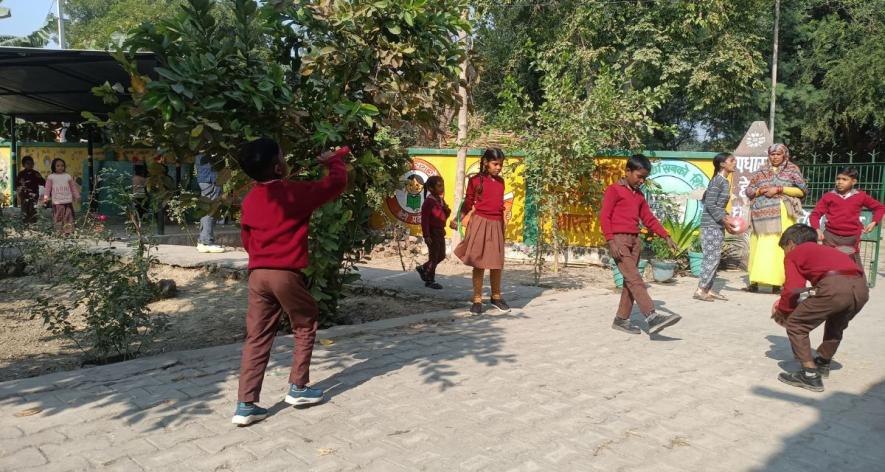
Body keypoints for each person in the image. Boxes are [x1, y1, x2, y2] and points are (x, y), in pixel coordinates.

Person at [232, 138, 348, 426]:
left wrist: (262, 258)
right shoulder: (294, 194)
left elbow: (247, 239)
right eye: (282, 155)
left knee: (257, 336)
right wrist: (333, 161)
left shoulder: (250, 199)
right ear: (277, 165)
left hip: (258, 274)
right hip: (286, 273)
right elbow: (335, 185)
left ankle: (245, 404)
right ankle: (298, 388)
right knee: (305, 322)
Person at [771, 224, 868, 392]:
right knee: (836, 322)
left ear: (791, 244)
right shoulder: (827, 250)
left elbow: (793, 288)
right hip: (861, 288)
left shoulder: (795, 253)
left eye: (784, 248)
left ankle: (809, 375)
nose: (785, 253)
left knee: (796, 324)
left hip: (834, 287)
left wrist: (784, 311)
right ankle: (823, 362)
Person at [601, 154, 682, 335]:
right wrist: (610, 240)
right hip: (619, 240)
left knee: (630, 282)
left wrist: (666, 236)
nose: (641, 181)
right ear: (628, 171)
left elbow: (648, 218)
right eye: (639, 176)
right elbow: (604, 216)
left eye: (645, 178)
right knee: (635, 278)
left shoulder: (638, 195)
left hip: (635, 240)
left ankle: (621, 319)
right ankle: (651, 316)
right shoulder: (614, 190)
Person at [453, 148, 511, 315]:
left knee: (496, 263)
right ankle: (477, 299)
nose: (498, 167)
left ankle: (496, 296)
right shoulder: (475, 181)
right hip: (479, 223)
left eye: (500, 164)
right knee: (479, 263)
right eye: (495, 164)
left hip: (497, 223)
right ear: (486, 163)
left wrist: (504, 218)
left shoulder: (501, 182)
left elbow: (499, 204)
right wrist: (459, 219)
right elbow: (468, 202)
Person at [745, 144, 807, 292]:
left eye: (778, 154)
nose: (775, 157)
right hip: (759, 215)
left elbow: (802, 191)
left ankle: (776, 283)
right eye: (772, 154)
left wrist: (779, 189)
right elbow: (749, 190)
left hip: (782, 215)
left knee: (778, 247)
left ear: (784, 155)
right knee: (758, 247)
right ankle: (754, 282)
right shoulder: (761, 170)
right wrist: (761, 190)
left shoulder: (792, 169)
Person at [809, 166, 884, 273]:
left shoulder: (861, 196)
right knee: (828, 266)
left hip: (851, 239)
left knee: (849, 267)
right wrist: (817, 229)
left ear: (854, 181)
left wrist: (874, 222)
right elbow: (815, 214)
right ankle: (827, 287)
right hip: (830, 237)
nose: (840, 182)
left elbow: (880, 207)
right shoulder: (828, 196)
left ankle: (850, 288)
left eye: (844, 179)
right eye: (838, 179)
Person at [694, 152, 737, 301]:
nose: (734, 163)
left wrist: (727, 219)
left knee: (715, 258)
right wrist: (724, 220)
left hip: (716, 225)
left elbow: (718, 206)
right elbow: (710, 205)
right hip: (710, 226)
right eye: (731, 160)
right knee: (710, 258)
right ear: (722, 164)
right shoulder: (717, 181)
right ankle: (700, 290)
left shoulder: (724, 181)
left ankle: (708, 289)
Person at [417, 175, 450, 290]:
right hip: (432, 232)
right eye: (439, 186)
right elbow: (425, 220)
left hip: (440, 231)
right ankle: (430, 280)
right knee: (434, 256)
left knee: (441, 255)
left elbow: (443, 216)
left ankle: (423, 268)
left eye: (443, 185)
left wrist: (446, 210)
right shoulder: (429, 202)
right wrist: (426, 235)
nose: (442, 188)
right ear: (431, 188)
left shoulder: (440, 199)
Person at [196, 154, 225, 253]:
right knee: (211, 210)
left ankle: (202, 241)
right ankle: (207, 242)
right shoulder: (211, 145)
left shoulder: (201, 144)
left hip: (205, 179)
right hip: (211, 180)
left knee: (206, 210)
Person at [43, 158, 80, 234]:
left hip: (67, 201)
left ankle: (68, 231)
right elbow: (47, 188)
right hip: (57, 202)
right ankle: (58, 231)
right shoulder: (51, 177)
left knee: (69, 217)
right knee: (58, 217)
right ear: (54, 167)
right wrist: (46, 197)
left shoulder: (68, 176)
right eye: (58, 166)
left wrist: (77, 196)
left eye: (62, 165)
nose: (60, 167)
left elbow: (73, 187)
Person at [14, 155, 44, 225]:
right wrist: (18, 191)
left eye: (32, 163)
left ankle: (33, 225)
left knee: (33, 210)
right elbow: (16, 184)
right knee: (24, 209)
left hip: (34, 196)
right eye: (28, 163)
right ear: (24, 165)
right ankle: (25, 225)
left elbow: (43, 183)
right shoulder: (21, 174)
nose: (30, 165)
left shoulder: (36, 173)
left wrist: (40, 178)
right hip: (24, 196)